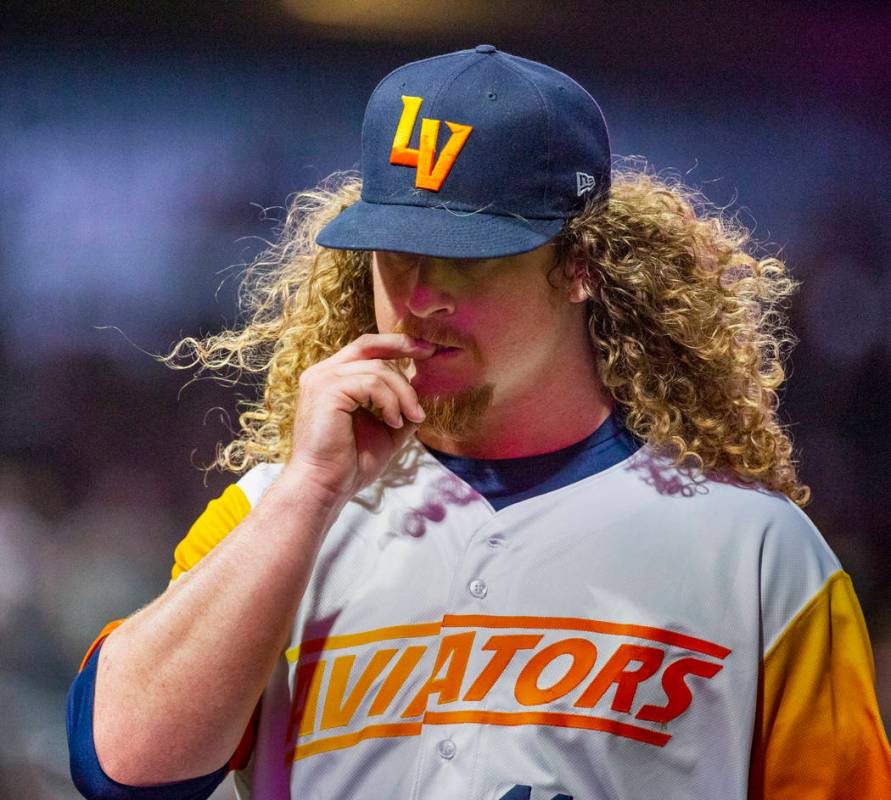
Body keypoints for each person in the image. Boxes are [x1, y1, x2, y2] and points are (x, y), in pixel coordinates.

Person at [67, 45, 890, 799]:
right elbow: (121, 773)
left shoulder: (753, 551)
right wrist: (310, 491)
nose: (421, 297)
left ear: (578, 267)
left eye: (469, 259)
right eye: (396, 253)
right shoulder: (270, 515)